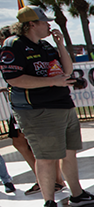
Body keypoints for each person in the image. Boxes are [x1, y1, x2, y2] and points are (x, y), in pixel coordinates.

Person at [1, 6, 94, 207]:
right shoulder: (14, 45)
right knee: (46, 157)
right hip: (37, 110)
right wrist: (52, 82)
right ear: (31, 24)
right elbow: (13, 79)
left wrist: (60, 44)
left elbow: (65, 71)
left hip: (62, 104)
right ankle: (49, 202)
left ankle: (77, 194)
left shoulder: (46, 45)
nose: (49, 25)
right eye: (44, 21)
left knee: (69, 151)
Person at [0, 25, 65, 196]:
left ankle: (51, 180)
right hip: (22, 103)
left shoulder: (16, 49)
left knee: (32, 144)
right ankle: (49, 179)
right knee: (23, 142)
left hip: (26, 104)